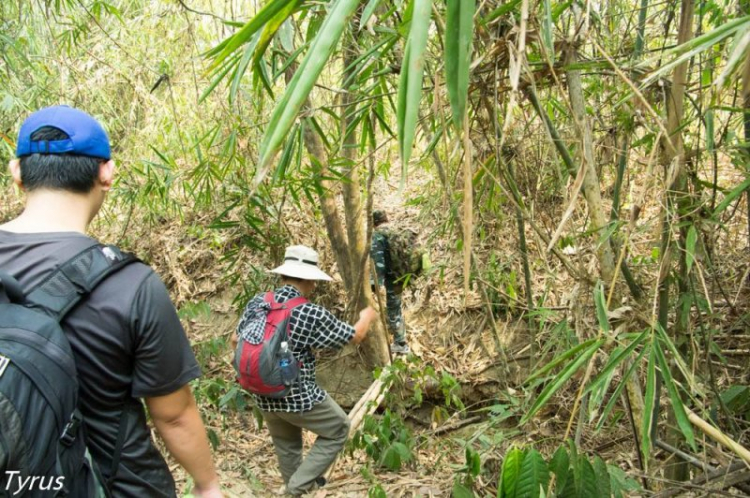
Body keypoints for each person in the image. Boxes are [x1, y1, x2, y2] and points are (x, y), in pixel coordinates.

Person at [0, 105, 223, 498]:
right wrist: (208, 486)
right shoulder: (132, 285)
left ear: (17, 173)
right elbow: (173, 416)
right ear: (106, 173)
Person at [235, 245, 378, 496]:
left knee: (287, 445)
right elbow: (353, 336)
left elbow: (235, 341)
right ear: (310, 280)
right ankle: (295, 489)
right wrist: (367, 314)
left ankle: (296, 490)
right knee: (339, 428)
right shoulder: (309, 312)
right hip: (297, 395)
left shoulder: (259, 301)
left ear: (283, 275)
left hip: (261, 392)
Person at [370, 210, 409, 354]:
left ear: (374, 223)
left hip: (392, 279)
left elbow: (379, 264)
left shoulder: (377, 236)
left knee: (393, 310)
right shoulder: (396, 230)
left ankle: (401, 343)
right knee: (396, 307)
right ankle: (400, 336)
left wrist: (375, 284)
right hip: (402, 275)